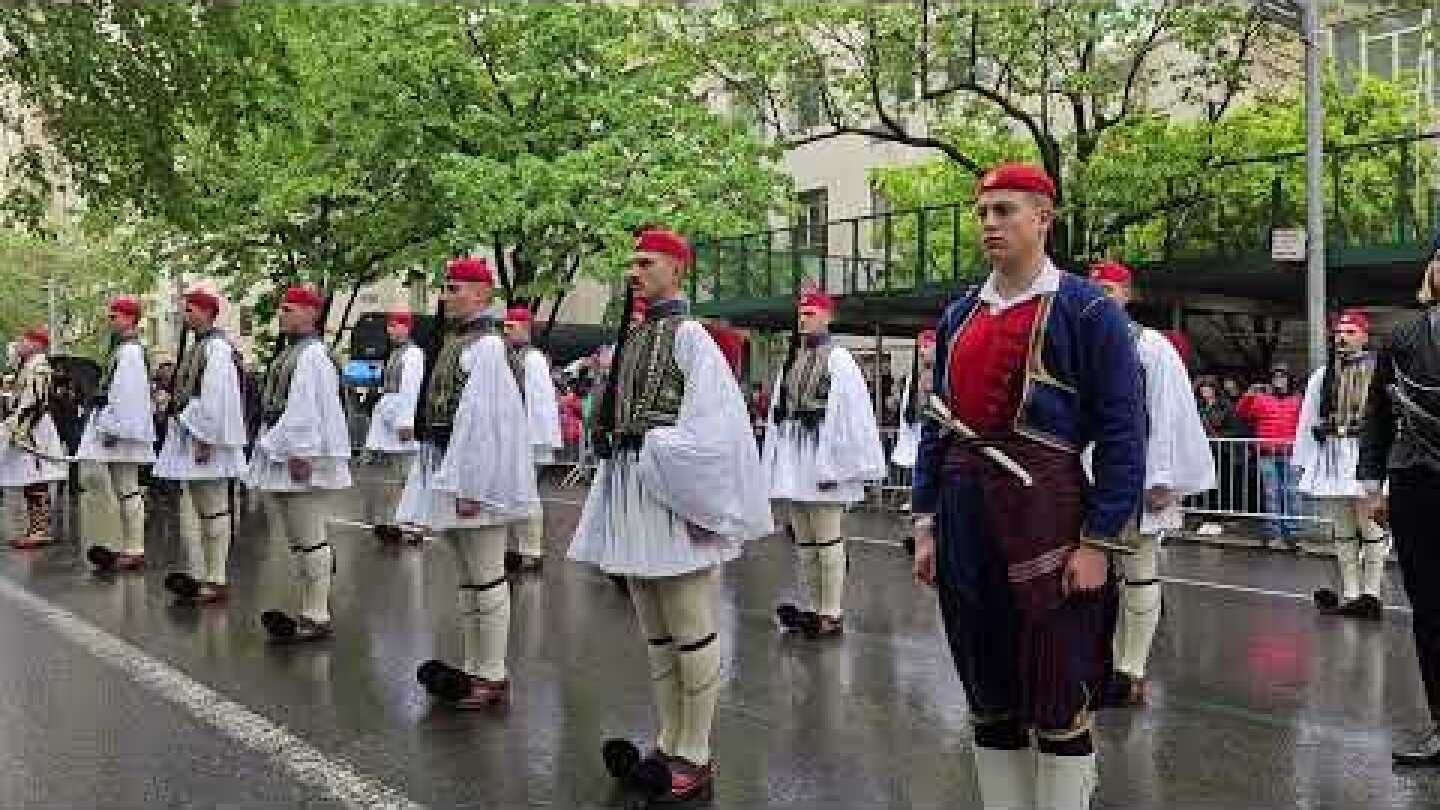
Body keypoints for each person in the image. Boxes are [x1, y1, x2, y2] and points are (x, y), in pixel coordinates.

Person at [910, 163, 1144, 809]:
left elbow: (1125, 432)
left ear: (1044, 218)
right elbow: (938, 423)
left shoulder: (1087, 308)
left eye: (1005, 210)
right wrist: (924, 522)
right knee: (986, 684)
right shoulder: (960, 313)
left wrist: (1099, 541)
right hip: (963, 512)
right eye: (983, 212)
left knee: (1056, 685)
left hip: (1049, 511)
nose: (989, 223)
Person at [570, 227, 772, 803]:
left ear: (678, 271)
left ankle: (697, 751)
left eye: (646, 262)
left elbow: (715, 428)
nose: (634, 272)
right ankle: (668, 740)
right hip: (634, 489)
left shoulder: (690, 337)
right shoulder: (633, 338)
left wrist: (684, 484)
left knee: (688, 621)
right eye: (631, 263)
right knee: (655, 628)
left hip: (671, 492)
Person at [400, 257, 537, 708]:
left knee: (485, 573)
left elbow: (485, 425)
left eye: (456, 288)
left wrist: (470, 486)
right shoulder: (456, 342)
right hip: (454, 468)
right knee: (467, 575)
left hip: (476, 477)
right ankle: (475, 665)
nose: (446, 295)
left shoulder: (487, 346)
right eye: (446, 287)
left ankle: (492, 672)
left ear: (483, 295)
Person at [1089, 261, 1214, 707]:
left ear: (1126, 294)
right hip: (1084, 476)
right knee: (1092, 576)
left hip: (1136, 475)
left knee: (1138, 571)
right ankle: (1097, 663)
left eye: (1108, 288)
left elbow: (1168, 415)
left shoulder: (1152, 346)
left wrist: (1161, 479)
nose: (1100, 295)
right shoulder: (1074, 341)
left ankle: (1132, 669)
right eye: (1093, 288)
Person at [762, 286, 886, 637]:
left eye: (811, 313)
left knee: (828, 537)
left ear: (828, 316)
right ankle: (814, 607)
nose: (804, 319)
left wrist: (835, 465)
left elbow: (849, 417)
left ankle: (831, 612)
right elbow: (779, 414)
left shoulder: (839, 358)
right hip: (797, 457)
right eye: (801, 314)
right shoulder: (794, 357)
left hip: (824, 455)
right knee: (804, 539)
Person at [1359, 246, 1440, 765]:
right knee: (1431, 610)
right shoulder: (1403, 336)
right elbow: (1378, 413)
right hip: (1417, 483)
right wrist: (1371, 482)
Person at [248, 285, 352, 643]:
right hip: (286, 448)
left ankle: (317, 613)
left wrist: (301, 452)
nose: (282, 314)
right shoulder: (293, 352)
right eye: (282, 308)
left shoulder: (311, 356)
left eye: (289, 309)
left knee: (309, 536)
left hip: (297, 453)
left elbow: (307, 410)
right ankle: (311, 606)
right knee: (299, 537)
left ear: (311, 314)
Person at [153, 289, 249, 604]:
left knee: (214, 508)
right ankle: (209, 574)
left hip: (206, 436)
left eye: (191, 310)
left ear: (208, 312)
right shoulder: (201, 346)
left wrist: (206, 436)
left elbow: (215, 397)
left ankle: (217, 578)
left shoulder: (216, 348)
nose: (186, 315)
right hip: (194, 432)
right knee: (204, 509)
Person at [1294, 309, 1387, 620]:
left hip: (1365, 453)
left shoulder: (1380, 371)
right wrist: (1304, 459)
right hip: (1333, 455)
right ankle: (1351, 593)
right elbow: (1309, 418)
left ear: (1364, 336)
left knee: (1371, 527)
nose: (1341, 339)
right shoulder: (1323, 375)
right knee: (1343, 529)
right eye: (1338, 334)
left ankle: (1372, 594)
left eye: (1349, 333)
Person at [80, 296, 157, 573]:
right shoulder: (123, 349)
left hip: (121, 430)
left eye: (114, 316)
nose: (109, 321)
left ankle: (135, 549)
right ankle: (130, 546)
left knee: (128, 490)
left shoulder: (130, 352)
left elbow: (126, 394)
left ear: (129, 318)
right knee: (124, 490)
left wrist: (114, 428)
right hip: (119, 427)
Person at [500, 305, 562, 574]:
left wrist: (533, 440)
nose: (506, 331)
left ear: (524, 327)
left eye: (510, 326)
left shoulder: (533, 359)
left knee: (526, 494)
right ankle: (515, 547)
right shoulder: (510, 356)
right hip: (512, 438)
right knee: (510, 494)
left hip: (527, 438)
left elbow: (539, 404)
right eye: (505, 326)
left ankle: (531, 550)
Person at [0, 327, 67, 548]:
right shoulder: (28, 367)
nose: (19, 344)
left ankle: (40, 530)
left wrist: (18, 427)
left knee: (36, 478)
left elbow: (34, 401)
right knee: (31, 478)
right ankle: (36, 528)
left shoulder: (38, 368)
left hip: (33, 427)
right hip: (29, 425)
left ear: (37, 344)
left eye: (24, 340)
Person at [363, 308, 423, 546]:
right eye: (389, 326)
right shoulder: (395, 354)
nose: (390, 330)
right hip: (389, 417)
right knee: (395, 475)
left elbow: (410, 389)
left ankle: (412, 525)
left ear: (406, 327)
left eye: (395, 325)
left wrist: (406, 421)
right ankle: (396, 522)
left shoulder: (413, 354)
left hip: (400, 420)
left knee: (409, 475)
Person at [1236, 365, 1304, 547]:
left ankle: (1293, 534)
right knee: (1271, 494)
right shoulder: (1261, 399)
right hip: (1267, 453)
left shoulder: (1298, 400)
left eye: (1282, 377)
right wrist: (1249, 394)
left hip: (1290, 453)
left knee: (1292, 493)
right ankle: (1273, 533)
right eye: (1275, 377)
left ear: (1289, 379)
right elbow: (1242, 413)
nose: (1279, 380)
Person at [892, 328, 937, 470]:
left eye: (927, 347)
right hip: (914, 438)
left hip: (930, 440)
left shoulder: (938, 376)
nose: (923, 352)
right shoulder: (913, 378)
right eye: (921, 347)